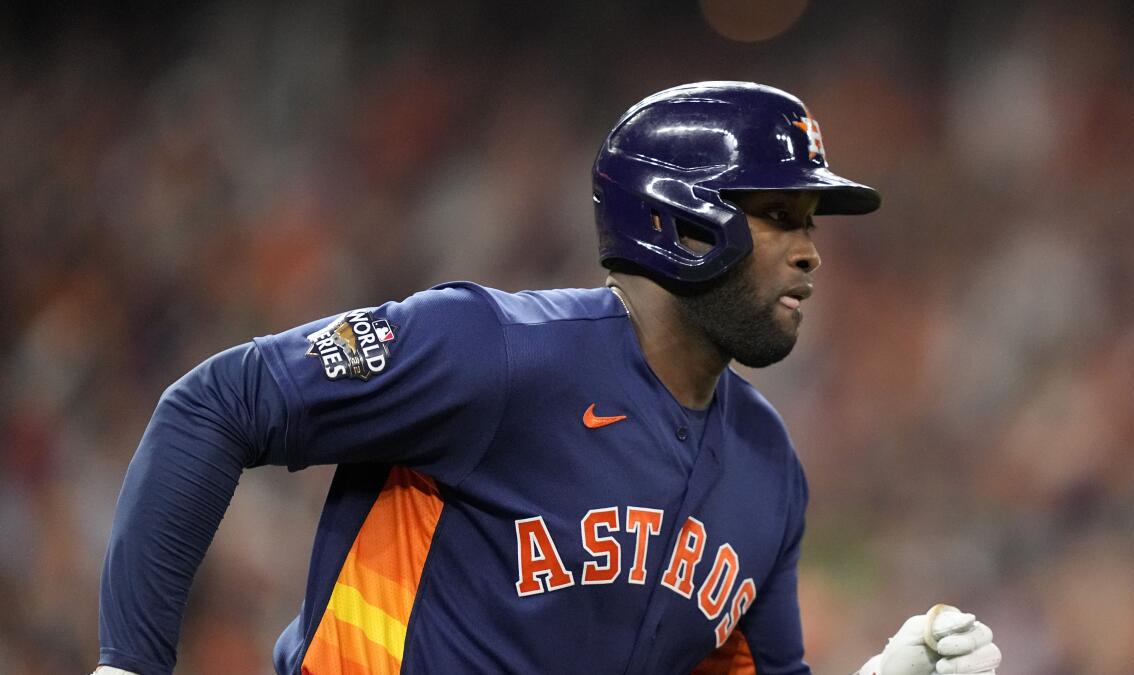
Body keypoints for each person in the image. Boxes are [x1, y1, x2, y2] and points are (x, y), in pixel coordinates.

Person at [93, 81, 1002, 675]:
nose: (809, 252)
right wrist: (128, 665)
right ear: (678, 222)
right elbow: (215, 406)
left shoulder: (770, 469)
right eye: (777, 214)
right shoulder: (491, 349)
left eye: (810, 222)